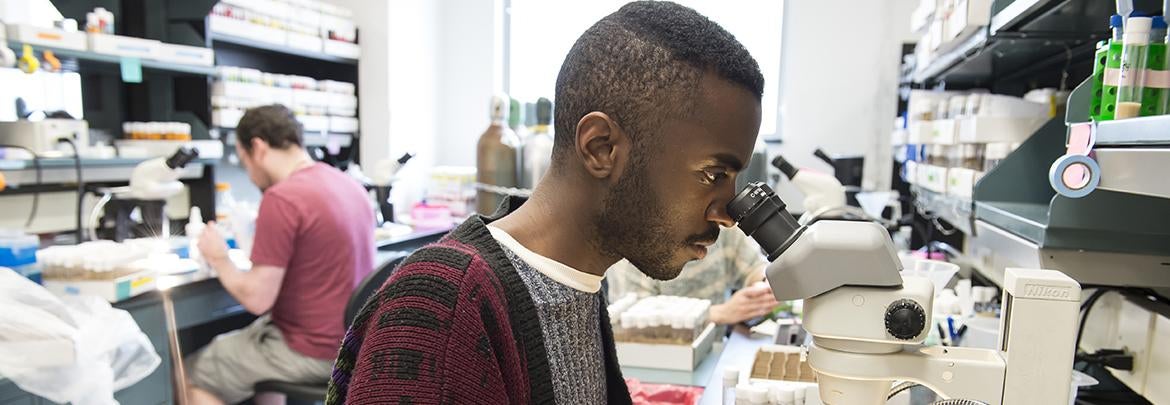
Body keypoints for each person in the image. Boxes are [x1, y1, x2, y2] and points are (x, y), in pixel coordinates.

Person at [328, 2, 764, 403]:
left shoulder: (581, 288)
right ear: (602, 149)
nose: (726, 214)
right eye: (714, 175)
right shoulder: (445, 308)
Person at [189, 105, 375, 405]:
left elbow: (257, 299)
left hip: (313, 351)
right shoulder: (349, 185)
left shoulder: (282, 197)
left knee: (196, 372)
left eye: (244, 159)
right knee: (255, 349)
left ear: (258, 148)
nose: (248, 174)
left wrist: (219, 257)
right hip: (353, 343)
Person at [606, 227, 780, 326]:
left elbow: (754, 268)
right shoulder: (634, 241)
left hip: (711, 353)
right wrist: (718, 314)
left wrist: (762, 285)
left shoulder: (721, 226)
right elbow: (634, 320)